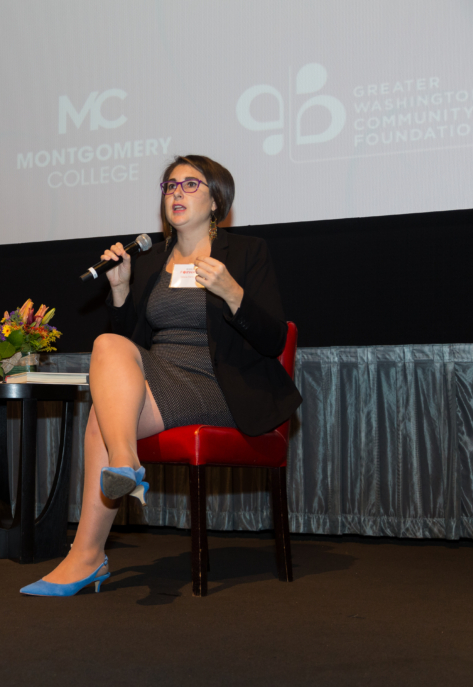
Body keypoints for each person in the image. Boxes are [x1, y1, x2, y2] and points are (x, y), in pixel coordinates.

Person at [21, 155, 301, 596]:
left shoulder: (248, 253)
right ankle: (123, 469)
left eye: (191, 185)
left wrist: (232, 292)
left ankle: (88, 555)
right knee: (106, 348)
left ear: (216, 199)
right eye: (169, 185)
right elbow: (126, 347)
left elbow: (271, 340)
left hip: (220, 384)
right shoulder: (153, 260)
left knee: (101, 420)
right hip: (162, 372)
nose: (176, 193)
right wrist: (119, 290)